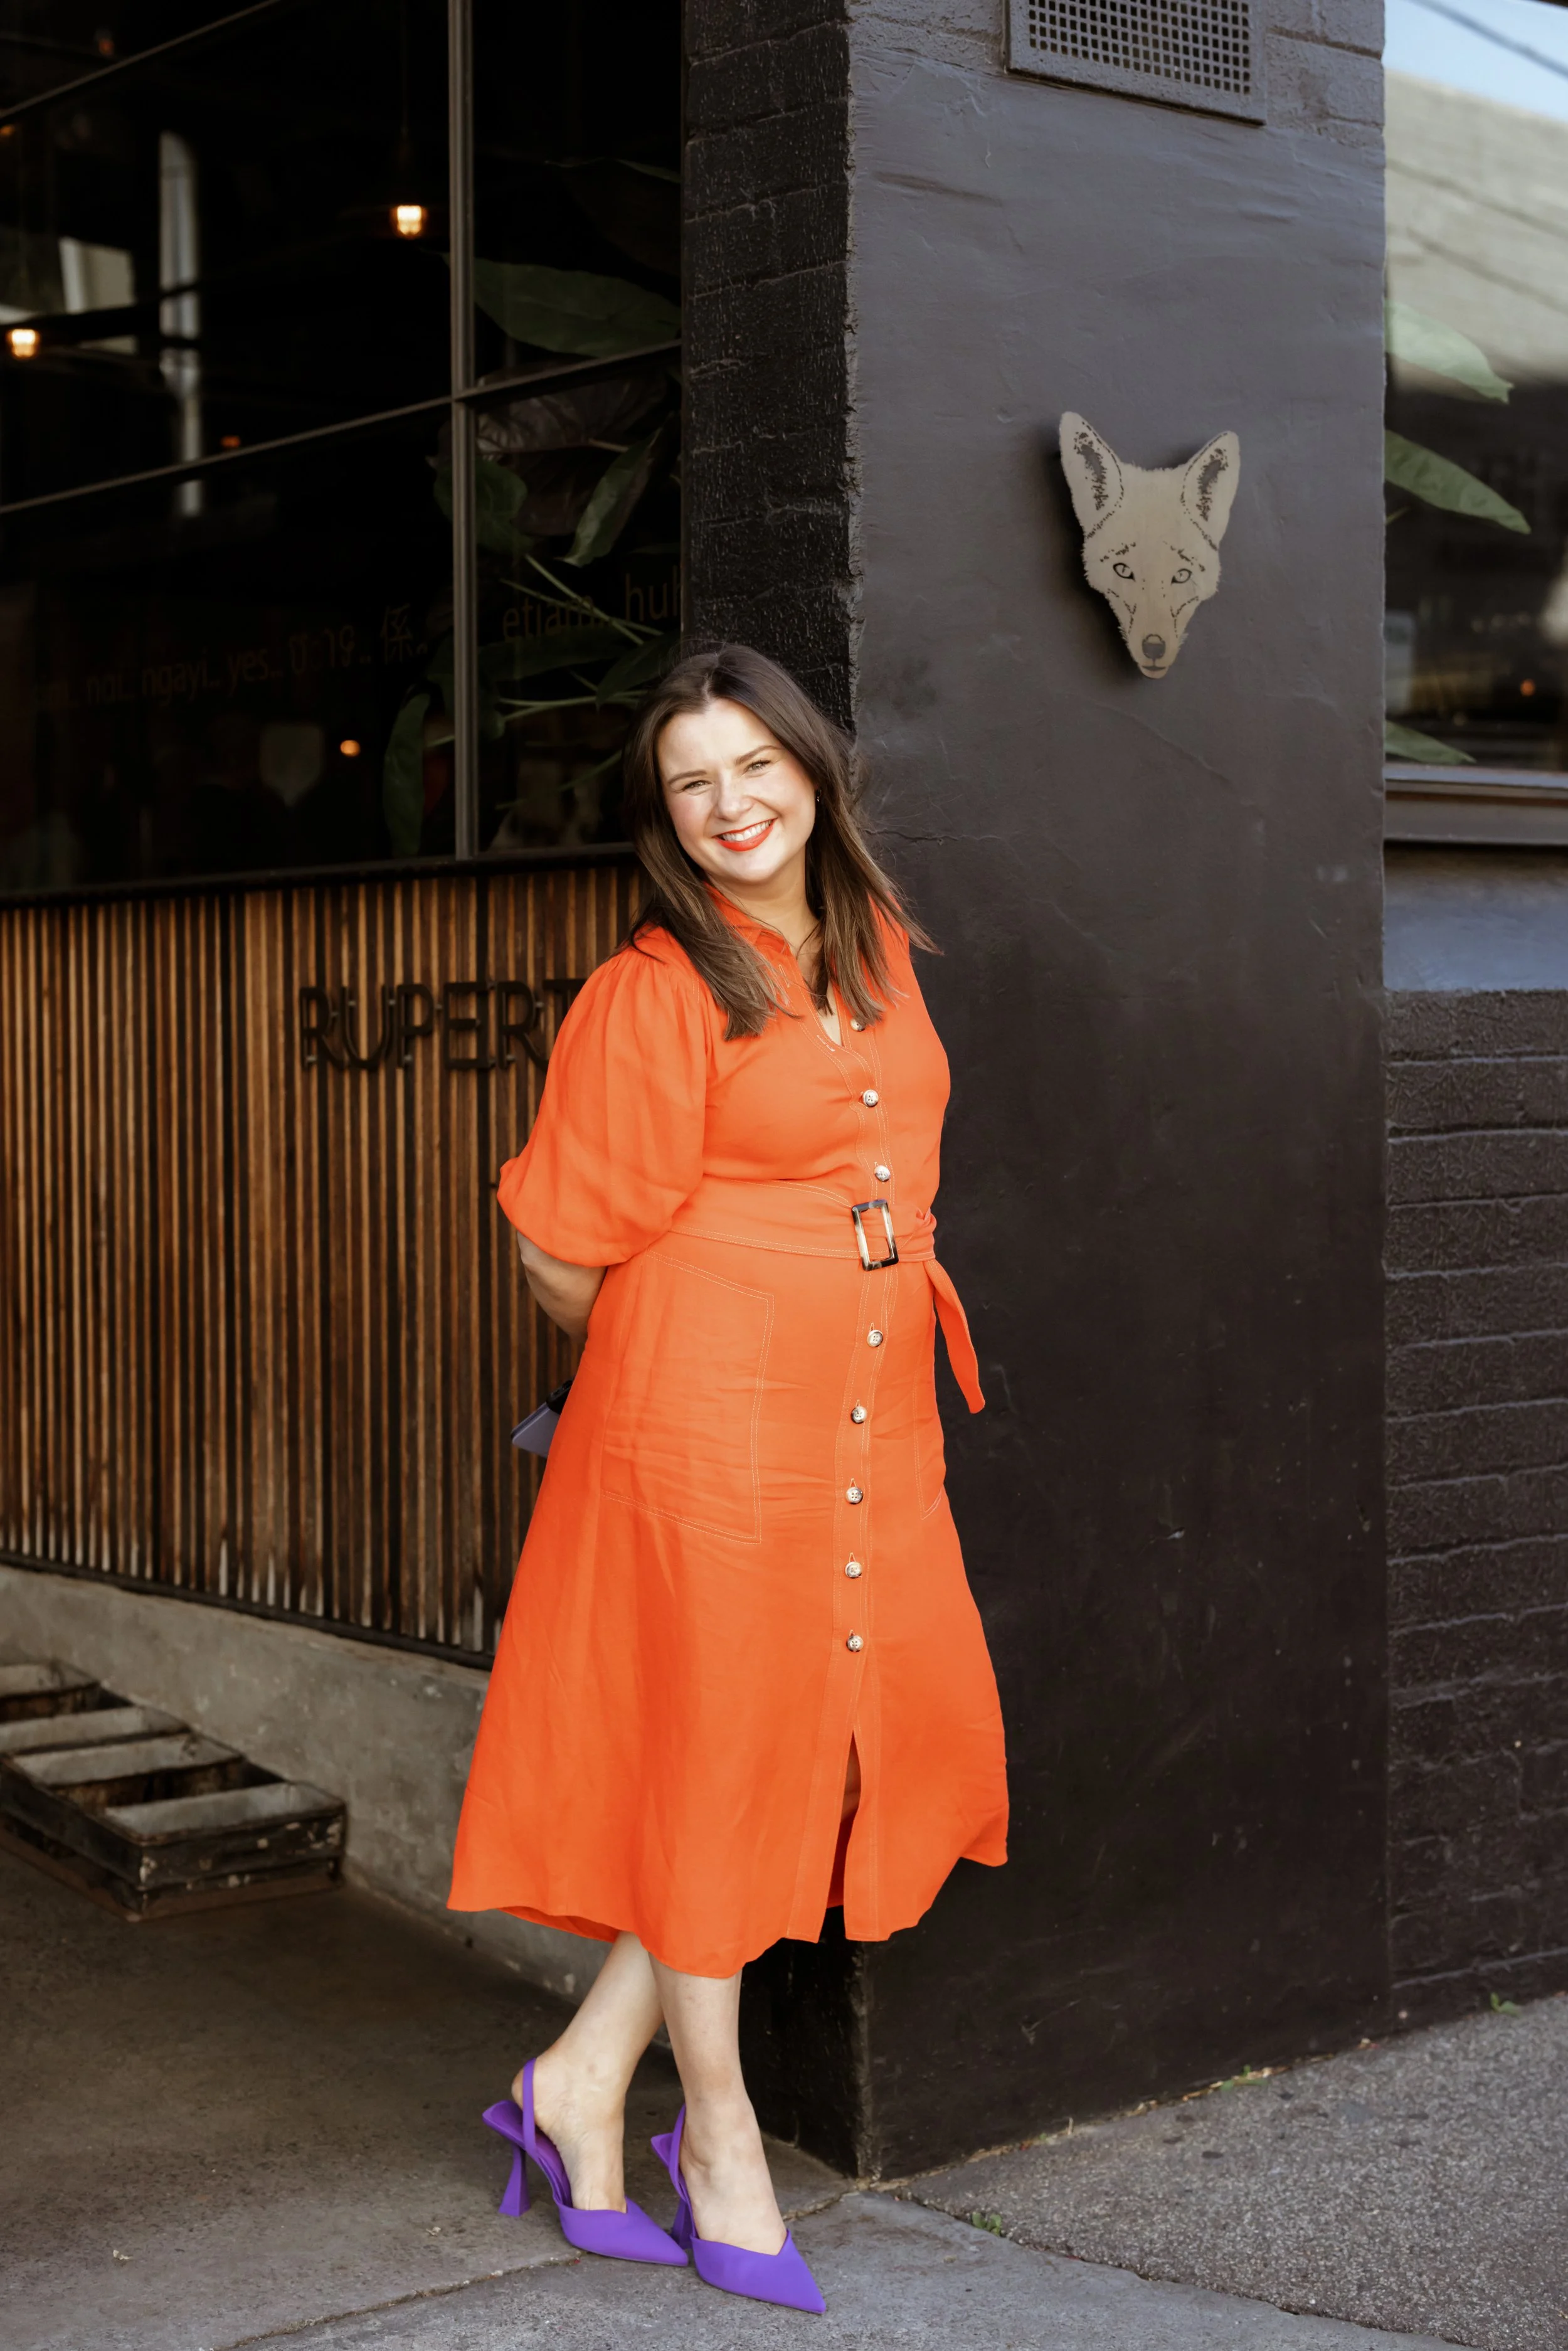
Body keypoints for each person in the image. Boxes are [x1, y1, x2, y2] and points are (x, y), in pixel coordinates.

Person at [448, 644, 1008, 2312]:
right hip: (703, 1420)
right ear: (665, 817)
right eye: (693, 781)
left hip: (867, 1414)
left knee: (803, 1748)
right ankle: (720, 2137)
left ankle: (574, 2083)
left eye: (756, 764)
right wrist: (682, 1350)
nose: (731, 802)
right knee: (718, 1763)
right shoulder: (653, 988)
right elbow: (558, 1249)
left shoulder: (877, 943)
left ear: (813, 771)